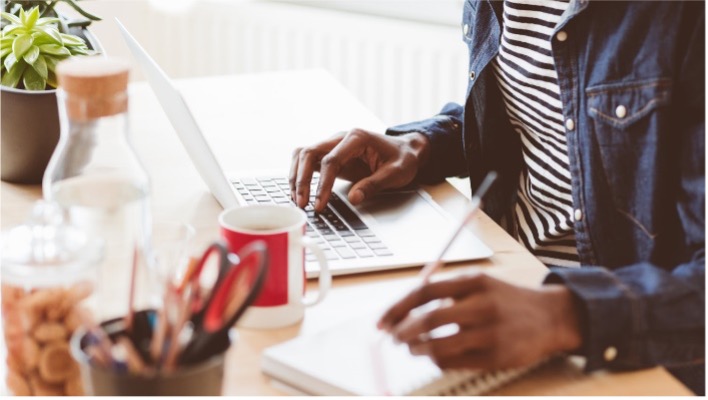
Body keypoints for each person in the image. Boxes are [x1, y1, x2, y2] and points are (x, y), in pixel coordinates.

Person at [289, 0, 705, 394]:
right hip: (505, 283)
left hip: (624, 351)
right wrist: (422, 145)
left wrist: (564, 313)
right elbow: (540, 121)